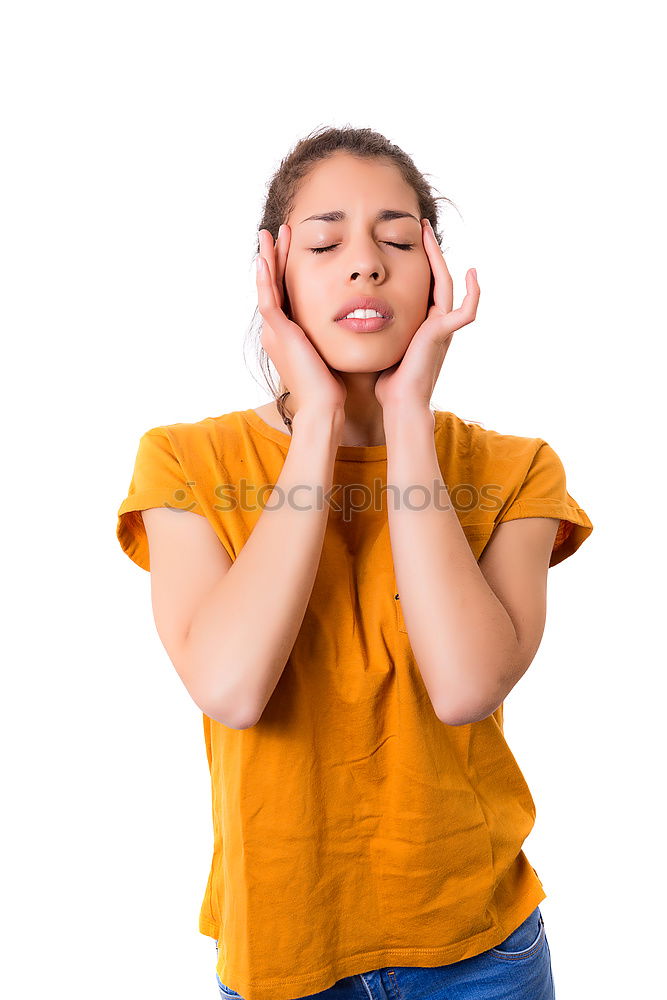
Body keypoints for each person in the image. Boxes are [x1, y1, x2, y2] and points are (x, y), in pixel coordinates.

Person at [116, 126, 593, 1000]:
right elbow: (229, 686)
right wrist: (319, 424)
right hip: (284, 951)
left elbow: (464, 687)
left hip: (479, 952)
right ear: (274, 275)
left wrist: (408, 414)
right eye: (326, 242)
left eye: (399, 240)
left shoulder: (517, 469)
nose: (365, 265)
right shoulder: (183, 461)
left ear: (435, 270)